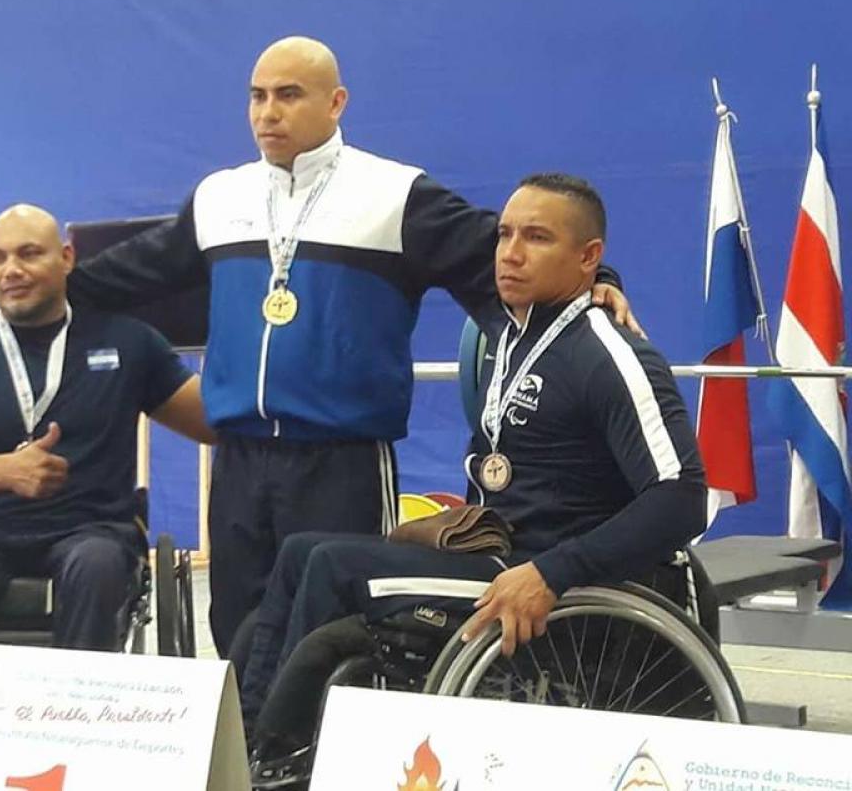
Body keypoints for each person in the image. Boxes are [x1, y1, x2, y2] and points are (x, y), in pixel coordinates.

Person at [67, 37, 640, 656]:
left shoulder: (393, 194)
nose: (268, 112)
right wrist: (47, 294)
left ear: (336, 102)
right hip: (239, 460)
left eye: (288, 95)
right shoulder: (219, 197)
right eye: (257, 97)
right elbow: (131, 273)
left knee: (332, 632)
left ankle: (317, 750)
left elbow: (504, 257)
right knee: (236, 627)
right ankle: (251, 752)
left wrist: (599, 282)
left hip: (340, 463)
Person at [241, 174, 706, 773]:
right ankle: (250, 744)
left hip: (565, 582)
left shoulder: (610, 355)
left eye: (536, 238)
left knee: (332, 568)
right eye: (505, 234)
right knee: (302, 552)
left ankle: (284, 763)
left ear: (589, 258)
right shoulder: (511, 335)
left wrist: (553, 572)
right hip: (502, 554)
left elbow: (683, 499)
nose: (510, 252)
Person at [0, 204, 215, 651]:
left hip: (91, 530)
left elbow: (212, 423)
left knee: (97, 563)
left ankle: (75, 708)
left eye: (29, 254)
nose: (12, 270)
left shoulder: (127, 341)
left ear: (66, 258)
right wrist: (6, 471)